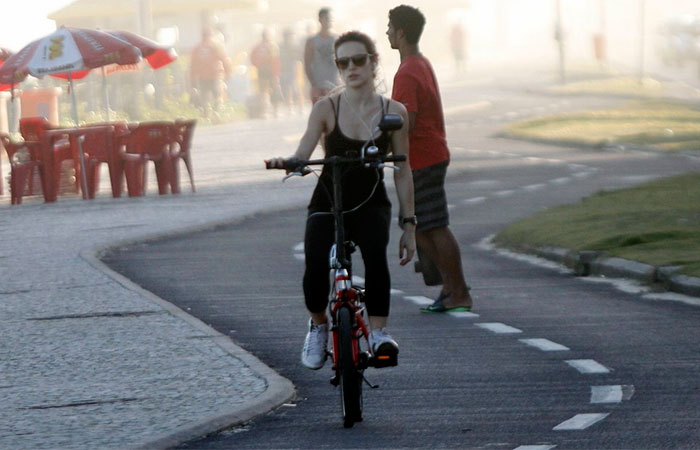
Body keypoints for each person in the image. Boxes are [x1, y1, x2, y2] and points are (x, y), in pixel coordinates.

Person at [267, 31, 416, 370]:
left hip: (370, 201)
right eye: (343, 62)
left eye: (359, 60)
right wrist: (291, 161)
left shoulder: (394, 112)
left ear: (374, 62)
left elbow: (403, 170)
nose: (351, 68)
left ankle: (379, 333)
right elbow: (303, 151)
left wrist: (410, 225)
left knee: (376, 256)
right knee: (315, 264)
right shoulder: (326, 108)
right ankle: (318, 326)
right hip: (327, 200)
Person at [387, 5, 473, 313]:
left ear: (401, 33)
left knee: (433, 226)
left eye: (389, 27)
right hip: (427, 155)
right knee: (419, 225)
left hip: (422, 158)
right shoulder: (419, 63)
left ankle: (458, 290)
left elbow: (405, 120)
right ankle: (450, 287)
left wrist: (381, 134)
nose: (386, 32)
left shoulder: (408, 70)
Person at [189, 27, 232, 118]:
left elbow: (193, 65)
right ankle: (216, 113)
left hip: (202, 77)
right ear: (211, 35)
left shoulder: (197, 49)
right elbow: (224, 59)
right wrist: (228, 72)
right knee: (217, 95)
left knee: (205, 97)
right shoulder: (216, 46)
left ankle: (207, 115)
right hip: (215, 75)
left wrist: (192, 80)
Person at [304, 8, 340, 105]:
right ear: (320, 20)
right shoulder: (312, 41)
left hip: (335, 85)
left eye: (331, 18)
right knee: (319, 116)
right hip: (318, 86)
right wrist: (313, 85)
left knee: (335, 116)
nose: (329, 21)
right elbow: (307, 64)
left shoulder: (338, 40)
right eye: (327, 18)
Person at [251, 29, 282, 118]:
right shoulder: (272, 46)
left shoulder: (257, 47)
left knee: (263, 92)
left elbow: (252, 59)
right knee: (274, 90)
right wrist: (276, 74)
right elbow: (275, 60)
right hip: (271, 71)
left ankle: (264, 112)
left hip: (261, 71)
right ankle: (275, 111)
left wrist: (258, 66)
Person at [279, 28, 303, 113]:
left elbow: (300, 57)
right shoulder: (281, 46)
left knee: (296, 88)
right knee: (287, 88)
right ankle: (290, 107)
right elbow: (279, 59)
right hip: (285, 69)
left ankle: (300, 107)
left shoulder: (295, 46)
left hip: (294, 69)